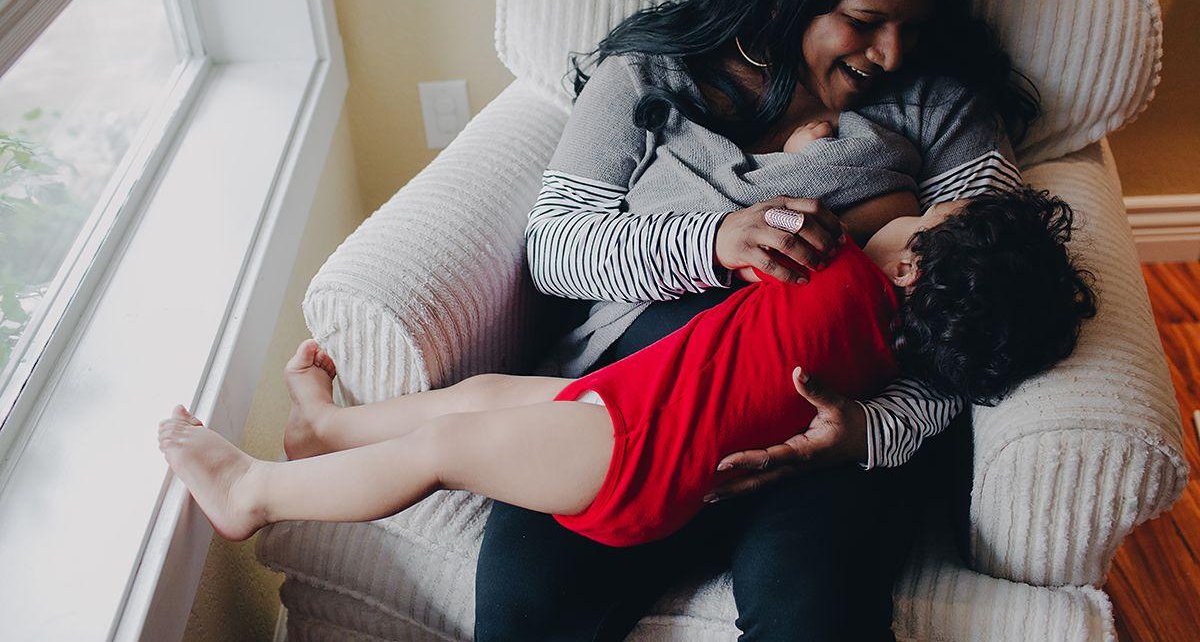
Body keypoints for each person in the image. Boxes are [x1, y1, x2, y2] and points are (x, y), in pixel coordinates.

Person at [478, 0, 1043, 640]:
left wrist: (871, 434)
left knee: (816, 614)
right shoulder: (651, 74)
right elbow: (558, 246)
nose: (890, 55)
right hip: (632, 403)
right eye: (864, 20)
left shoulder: (939, 108)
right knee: (524, 612)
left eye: (912, 26)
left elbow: (990, 311)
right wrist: (712, 242)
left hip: (821, 432)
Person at [156, 188, 1095, 550]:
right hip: (636, 410)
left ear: (911, 263)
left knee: (449, 440)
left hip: (631, 454)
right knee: (481, 397)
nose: (916, 210)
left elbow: (814, 219)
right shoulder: (891, 361)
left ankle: (256, 494)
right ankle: (327, 428)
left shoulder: (842, 269)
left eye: (928, 221)